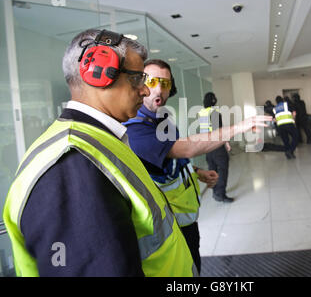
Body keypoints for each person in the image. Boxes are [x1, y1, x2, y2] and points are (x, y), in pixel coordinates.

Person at [2, 29, 197, 277]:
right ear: (98, 73)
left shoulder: (96, 141)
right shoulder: (72, 166)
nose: (146, 91)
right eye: (138, 78)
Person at [124, 60, 272, 273]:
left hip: (185, 219)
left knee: (193, 268)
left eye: (165, 83)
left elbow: (168, 160)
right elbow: (186, 149)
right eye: (152, 81)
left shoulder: (162, 119)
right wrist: (238, 127)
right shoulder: (136, 130)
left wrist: (197, 172)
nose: (159, 88)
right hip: (166, 228)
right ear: (139, 84)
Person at [198, 92, 233, 203]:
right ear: (213, 100)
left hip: (207, 146)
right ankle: (220, 194)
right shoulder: (214, 112)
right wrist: (226, 143)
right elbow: (219, 130)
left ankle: (215, 192)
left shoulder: (201, 113)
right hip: (216, 145)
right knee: (222, 168)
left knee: (212, 169)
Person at [274, 95, 299, 159]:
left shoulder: (275, 108)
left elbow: (275, 119)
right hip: (289, 124)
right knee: (296, 137)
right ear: (282, 99)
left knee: (286, 141)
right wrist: (294, 120)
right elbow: (294, 113)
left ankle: (289, 154)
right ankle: (290, 151)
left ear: (276, 102)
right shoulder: (286, 104)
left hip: (280, 126)